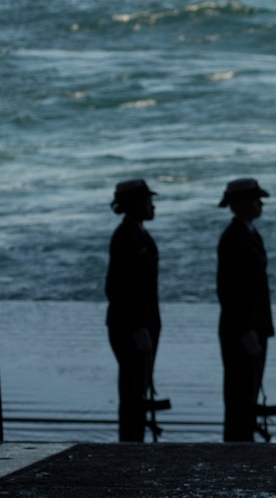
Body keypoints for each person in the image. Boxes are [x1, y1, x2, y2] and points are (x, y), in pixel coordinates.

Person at [217, 178, 274, 442]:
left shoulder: (248, 233)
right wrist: (244, 330)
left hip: (253, 327)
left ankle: (243, 443)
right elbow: (229, 291)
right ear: (239, 204)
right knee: (241, 393)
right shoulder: (233, 238)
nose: (260, 203)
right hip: (242, 329)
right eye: (255, 199)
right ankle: (237, 446)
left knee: (248, 392)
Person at [106, 178, 162, 442]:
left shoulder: (135, 232)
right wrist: (137, 327)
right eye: (149, 201)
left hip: (138, 326)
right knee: (132, 391)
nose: (153, 206)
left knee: (137, 389)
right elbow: (116, 289)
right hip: (131, 328)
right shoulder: (126, 236)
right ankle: (130, 445)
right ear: (137, 204)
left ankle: (133, 442)